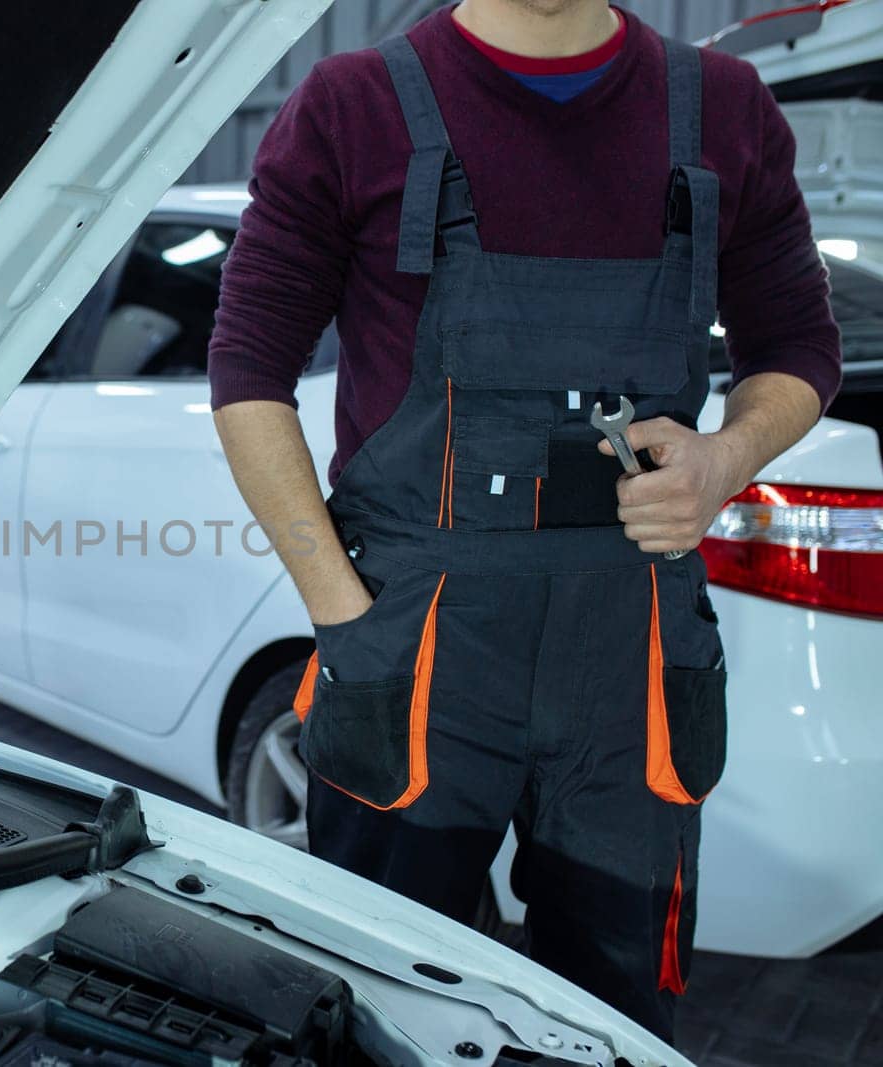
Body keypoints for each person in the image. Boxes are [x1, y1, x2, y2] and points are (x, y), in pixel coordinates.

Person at [207, 0, 839, 1040]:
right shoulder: (351, 106)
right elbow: (247, 371)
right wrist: (342, 610)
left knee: (619, 1011)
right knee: (377, 999)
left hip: (630, 647)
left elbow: (797, 348)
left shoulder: (722, 109)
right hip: (415, 649)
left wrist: (724, 458)